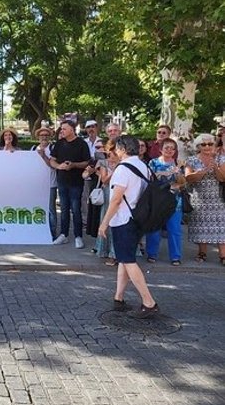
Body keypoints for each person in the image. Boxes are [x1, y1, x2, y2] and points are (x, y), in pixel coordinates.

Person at [99, 136, 159, 318]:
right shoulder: (143, 166)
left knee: (128, 261)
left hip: (123, 219)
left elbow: (116, 199)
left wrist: (104, 223)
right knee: (125, 258)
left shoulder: (122, 169)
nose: (115, 152)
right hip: (137, 219)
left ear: (122, 148)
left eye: (116, 148)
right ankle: (119, 298)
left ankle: (149, 302)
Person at [184, 133, 225, 265]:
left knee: (221, 227)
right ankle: (202, 253)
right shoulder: (191, 160)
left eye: (210, 144)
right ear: (198, 146)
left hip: (218, 199)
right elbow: (188, 178)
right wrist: (202, 171)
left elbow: (222, 178)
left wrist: (215, 168)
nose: (207, 146)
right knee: (201, 227)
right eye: (204, 144)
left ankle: (223, 255)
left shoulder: (221, 159)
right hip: (199, 199)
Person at [50, 120, 91, 248]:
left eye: (64, 129)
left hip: (76, 182)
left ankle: (78, 236)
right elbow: (52, 160)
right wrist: (59, 166)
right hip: (62, 181)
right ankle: (64, 234)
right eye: (61, 129)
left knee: (75, 209)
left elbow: (86, 162)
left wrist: (73, 165)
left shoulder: (81, 144)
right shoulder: (59, 143)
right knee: (63, 209)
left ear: (72, 130)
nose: (62, 131)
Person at [145, 138, 185, 265]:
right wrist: (166, 172)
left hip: (174, 200)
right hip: (157, 200)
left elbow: (182, 183)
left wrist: (178, 175)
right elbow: (150, 179)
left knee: (174, 229)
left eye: (172, 148)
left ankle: (175, 256)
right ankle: (152, 254)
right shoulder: (153, 162)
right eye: (166, 147)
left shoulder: (178, 163)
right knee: (154, 228)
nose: (169, 150)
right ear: (161, 149)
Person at [32, 127, 57, 240]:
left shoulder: (53, 149)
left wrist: (43, 156)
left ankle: (52, 232)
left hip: (50, 183)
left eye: (46, 135)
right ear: (38, 137)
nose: (44, 137)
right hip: (36, 184)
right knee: (37, 207)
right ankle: (38, 230)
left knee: (50, 209)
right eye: (42, 135)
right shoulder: (33, 149)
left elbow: (53, 165)